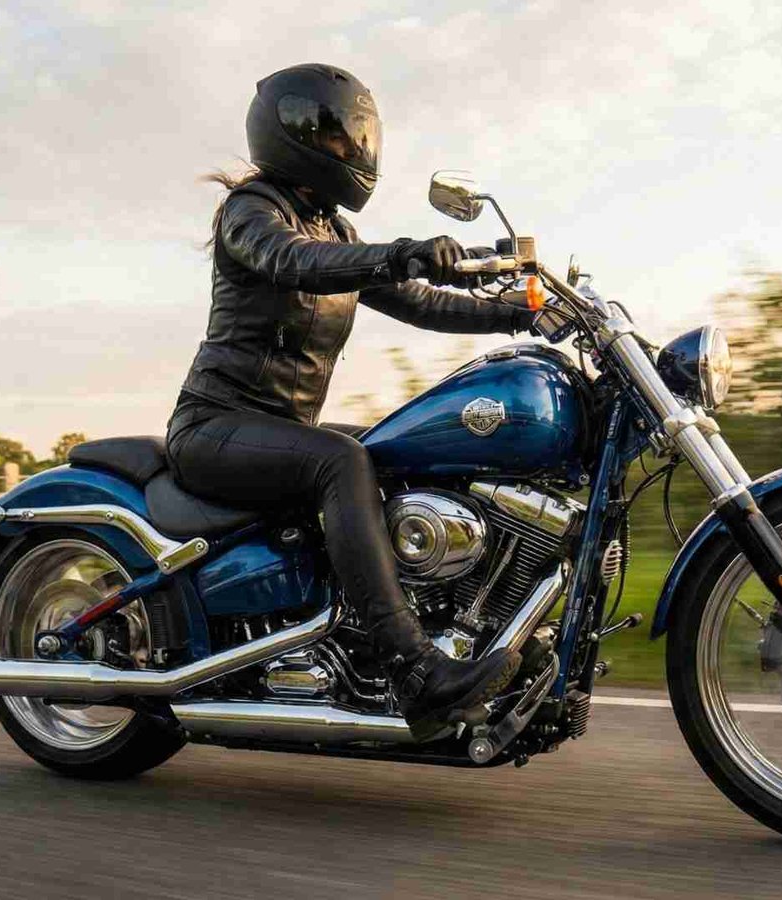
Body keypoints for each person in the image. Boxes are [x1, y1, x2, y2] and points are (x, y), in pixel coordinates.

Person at [168, 63, 532, 726]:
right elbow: (292, 261)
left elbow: (421, 303)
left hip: (278, 429)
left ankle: (375, 636)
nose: (355, 150)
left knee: (389, 451)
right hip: (215, 426)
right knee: (341, 461)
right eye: (339, 136)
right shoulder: (252, 212)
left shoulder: (336, 232)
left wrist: (519, 313)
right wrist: (403, 252)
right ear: (293, 132)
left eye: (359, 137)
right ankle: (416, 672)